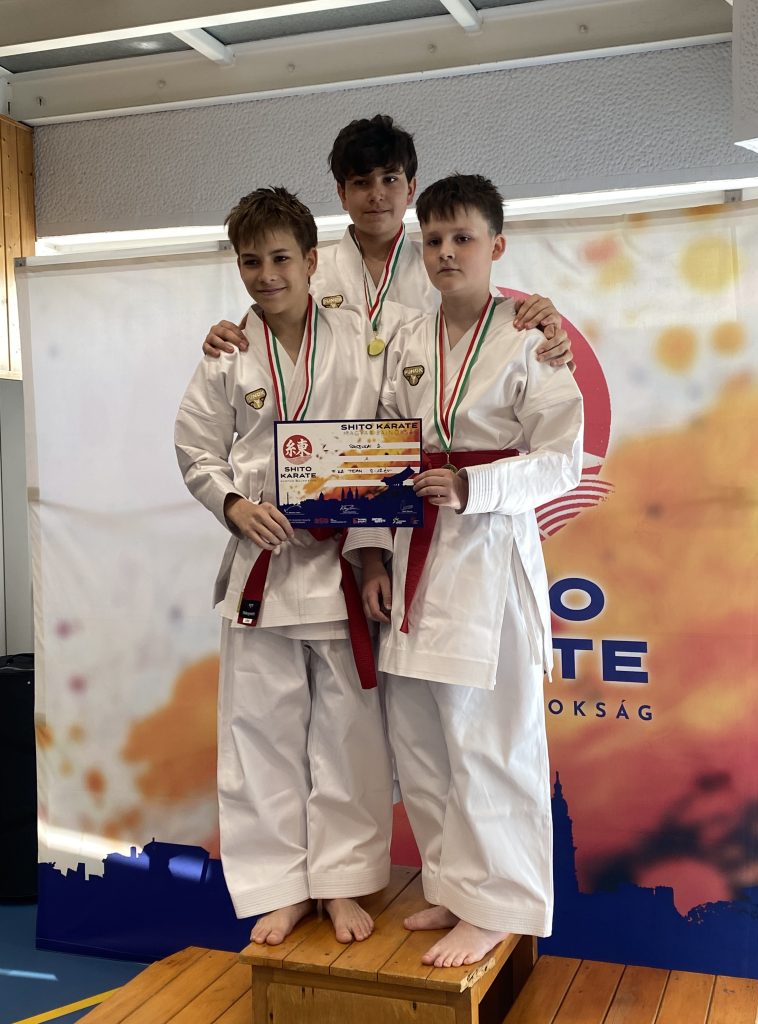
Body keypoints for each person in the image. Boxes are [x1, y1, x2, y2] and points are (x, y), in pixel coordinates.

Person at [351, 173, 584, 968]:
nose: (447, 252)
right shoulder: (406, 341)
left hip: (486, 555)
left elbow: (562, 460)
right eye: (434, 240)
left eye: (463, 238)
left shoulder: (530, 338)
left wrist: (473, 486)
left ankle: (499, 904)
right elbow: (380, 451)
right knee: (421, 739)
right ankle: (452, 885)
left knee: (489, 739)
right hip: (414, 552)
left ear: (496, 245)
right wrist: (371, 552)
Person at [174, 187, 408, 948]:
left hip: (337, 564)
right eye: (251, 261)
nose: (266, 274)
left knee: (348, 734)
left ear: (312, 261)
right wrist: (233, 504)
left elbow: (384, 440)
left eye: (281, 258)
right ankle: (280, 888)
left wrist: (369, 552)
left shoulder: (362, 339)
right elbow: (196, 448)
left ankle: (341, 883)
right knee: (259, 734)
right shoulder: (227, 352)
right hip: (263, 566)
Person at [201, 115, 573, 367]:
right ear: (342, 193)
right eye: (361, 182)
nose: (377, 194)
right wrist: (229, 338)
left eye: (390, 180)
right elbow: (266, 343)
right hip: (334, 440)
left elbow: (495, 332)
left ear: (410, 188)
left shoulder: (444, 269)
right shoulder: (308, 270)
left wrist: (543, 325)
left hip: (421, 438)